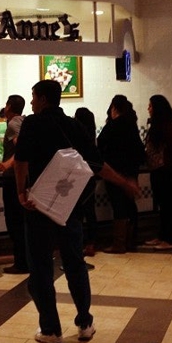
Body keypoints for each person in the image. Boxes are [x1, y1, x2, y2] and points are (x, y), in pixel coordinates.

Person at [13, 80, 141, 343]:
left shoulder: (32, 125)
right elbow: (98, 164)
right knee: (74, 264)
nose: (32, 101)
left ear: (44, 98)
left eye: (34, 97)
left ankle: (51, 330)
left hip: (38, 208)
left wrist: (22, 192)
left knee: (41, 268)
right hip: (69, 207)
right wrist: (124, 182)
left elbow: (21, 161)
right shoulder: (74, 126)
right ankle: (84, 323)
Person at [97, 95, 145, 253]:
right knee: (130, 204)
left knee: (118, 206)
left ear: (114, 108)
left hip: (114, 172)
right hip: (131, 171)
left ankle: (119, 243)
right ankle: (131, 241)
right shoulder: (131, 125)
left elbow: (100, 146)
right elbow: (139, 150)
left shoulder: (113, 126)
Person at [143, 95, 172, 251]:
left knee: (169, 205)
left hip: (167, 171)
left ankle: (171, 238)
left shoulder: (169, 126)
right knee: (163, 205)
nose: (148, 109)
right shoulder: (160, 124)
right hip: (158, 170)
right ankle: (162, 236)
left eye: (150, 106)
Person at [0, 94, 29, 274]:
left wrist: (7, 164)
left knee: (14, 221)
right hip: (23, 177)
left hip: (13, 178)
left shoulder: (13, 124)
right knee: (22, 220)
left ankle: (21, 262)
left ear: (8, 107)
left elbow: (23, 148)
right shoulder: (24, 121)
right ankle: (25, 259)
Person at [74, 107, 98, 257]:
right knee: (90, 211)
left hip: (77, 178)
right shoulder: (92, 139)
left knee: (78, 212)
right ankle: (91, 243)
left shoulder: (77, 138)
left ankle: (79, 242)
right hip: (90, 177)